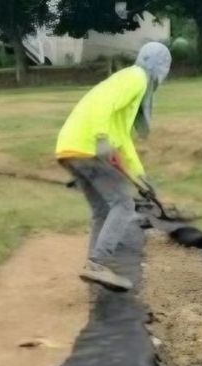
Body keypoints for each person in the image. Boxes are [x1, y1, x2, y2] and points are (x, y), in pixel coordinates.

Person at [55, 42, 173, 292]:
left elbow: (123, 140)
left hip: (70, 148)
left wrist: (141, 178)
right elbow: (103, 104)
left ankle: (94, 265)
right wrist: (101, 140)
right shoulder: (137, 77)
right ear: (159, 69)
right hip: (89, 147)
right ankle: (98, 262)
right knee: (124, 204)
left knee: (102, 210)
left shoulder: (126, 81)